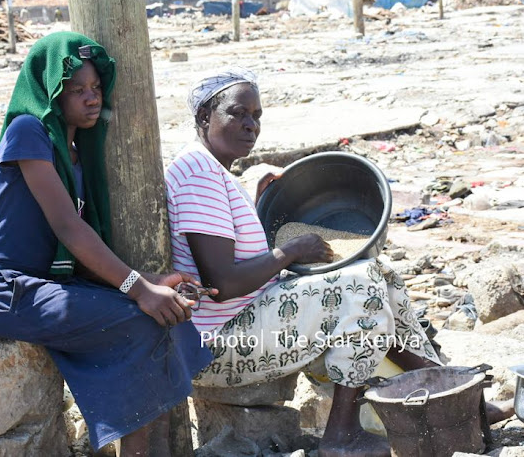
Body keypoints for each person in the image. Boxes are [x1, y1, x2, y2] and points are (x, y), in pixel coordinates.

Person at [165, 67, 479, 456]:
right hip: (220, 344)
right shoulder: (198, 173)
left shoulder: (212, 170)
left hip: (243, 320)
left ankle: (454, 395)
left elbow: (229, 244)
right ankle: (341, 435)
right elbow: (223, 282)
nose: (251, 126)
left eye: (257, 115)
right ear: (203, 118)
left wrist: (252, 197)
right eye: (238, 113)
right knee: (360, 284)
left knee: (383, 275)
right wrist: (292, 251)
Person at [0, 32, 212, 455]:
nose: (92, 99)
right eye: (77, 90)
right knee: (140, 317)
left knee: (169, 313)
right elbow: (68, 230)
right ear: (51, 90)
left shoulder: (74, 153)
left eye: (96, 89)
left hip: (33, 286)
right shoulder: (29, 131)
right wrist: (139, 289)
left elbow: (81, 253)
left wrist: (153, 280)